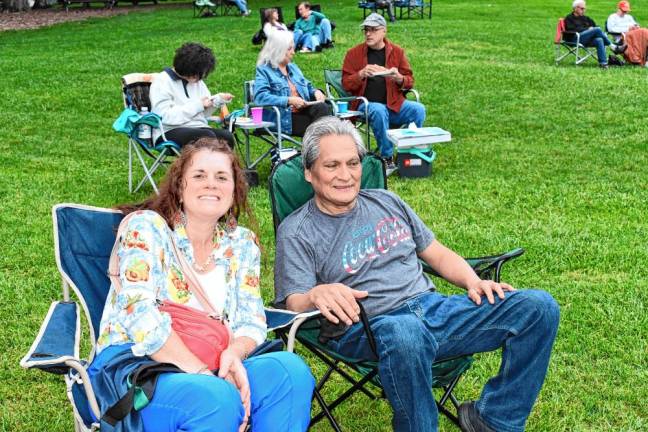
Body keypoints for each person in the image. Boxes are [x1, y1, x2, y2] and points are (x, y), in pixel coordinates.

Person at [274, 116, 560, 432]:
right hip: (367, 327)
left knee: (538, 308)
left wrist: (473, 281)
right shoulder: (298, 231)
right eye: (332, 166)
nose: (346, 175)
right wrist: (315, 294)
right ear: (309, 173)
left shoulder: (387, 200)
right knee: (406, 331)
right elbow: (293, 304)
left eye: (353, 163)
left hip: (433, 312)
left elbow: (436, 253)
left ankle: (494, 420)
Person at [91, 137, 315, 432]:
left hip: (216, 360)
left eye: (222, 177)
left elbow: (251, 320)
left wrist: (233, 356)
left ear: (234, 191)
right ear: (180, 187)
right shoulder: (146, 227)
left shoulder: (242, 243)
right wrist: (200, 372)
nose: (211, 184)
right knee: (216, 399)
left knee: (290, 372)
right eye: (199, 176)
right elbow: (138, 313)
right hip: (140, 368)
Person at [342, 13, 426, 173]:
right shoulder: (354, 54)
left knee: (418, 109)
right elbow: (346, 84)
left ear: (384, 31)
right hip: (365, 106)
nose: (368, 33)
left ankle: (407, 153)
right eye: (366, 30)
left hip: (393, 104)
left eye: (373, 30)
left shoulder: (397, 52)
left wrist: (398, 77)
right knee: (379, 110)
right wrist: (360, 74)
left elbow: (410, 80)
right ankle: (386, 158)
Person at [150, 43, 235, 148]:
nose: (201, 77)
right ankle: (203, 164)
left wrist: (216, 102)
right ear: (189, 69)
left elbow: (203, 115)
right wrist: (198, 105)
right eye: (199, 73)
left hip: (198, 127)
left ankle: (224, 165)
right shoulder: (162, 82)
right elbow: (166, 117)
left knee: (226, 137)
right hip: (167, 131)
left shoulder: (197, 82)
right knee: (206, 138)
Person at [254, 31, 332, 137]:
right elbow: (260, 97)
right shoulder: (264, 70)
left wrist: (316, 92)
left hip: (302, 112)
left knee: (323, 108)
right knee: (327, 128)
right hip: (283, 118)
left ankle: (322, 146)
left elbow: (308, 87)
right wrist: (289, 100)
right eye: (290, 49)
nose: (293, 52)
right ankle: (321, 148)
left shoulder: (293, 68)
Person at [564, 0, 624, 69]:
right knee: (596, 30)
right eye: (582, 8)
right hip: (574, 39)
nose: (584, 10)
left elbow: (595, 26)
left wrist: (592, 29)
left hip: (585, 39)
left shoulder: (586, 18)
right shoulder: (569, 18)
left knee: (599, 39)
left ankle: (603, 63)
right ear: (575, 8)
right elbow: (571, 30)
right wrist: (588, 30)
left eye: (584, 8)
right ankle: (613, 47)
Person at [607, 1, 648, 66]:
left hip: (635, 37)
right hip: (621, 38)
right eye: (623, 11)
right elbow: (611, 29)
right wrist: (627, 29)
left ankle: (645, 59)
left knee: (644, 33)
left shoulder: (629, 17)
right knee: (644, 31)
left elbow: (636, 25)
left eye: (626, 11)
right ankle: (641, 59)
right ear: (618, 8)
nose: (625, 12)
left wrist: (636, 26)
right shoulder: (612, 17)